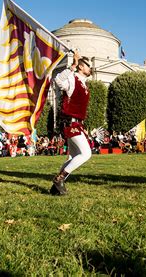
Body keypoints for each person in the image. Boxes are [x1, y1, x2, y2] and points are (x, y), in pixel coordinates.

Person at [50, 51, 92, 195]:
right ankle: (59, 178)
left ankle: (55, 187)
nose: (90, 68)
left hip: (77, 124)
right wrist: (72, 65)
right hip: (70, 122)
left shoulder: (84, 84)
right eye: (88, 66)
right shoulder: (72, 79)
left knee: (73, 157)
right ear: (81, 66)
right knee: (86, 154)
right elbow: (58, 80)